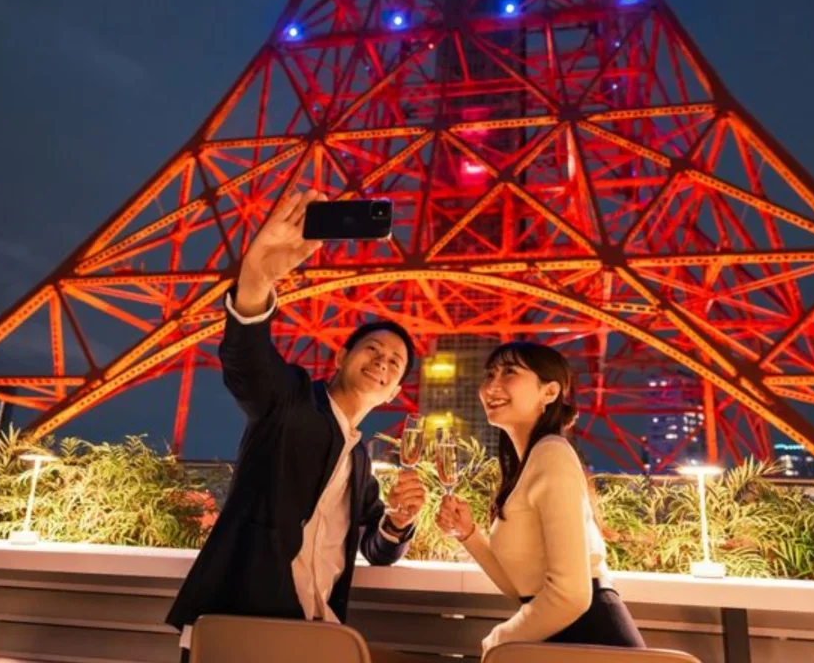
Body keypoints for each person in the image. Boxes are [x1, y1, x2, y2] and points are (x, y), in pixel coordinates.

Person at [167, 186, 426, 663]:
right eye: (372, 349)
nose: (383, 361)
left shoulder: (360, 458)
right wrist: (256, 275)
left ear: (394, 393)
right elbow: (246, 361)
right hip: (243, 623)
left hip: (315, 630)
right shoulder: (289, 402)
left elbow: (376, 547)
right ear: (341, 357)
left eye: (395, 361)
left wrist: (397, 522)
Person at [436, 342, 644, 654]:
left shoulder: (551, 453)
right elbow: (522, 588)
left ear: (548, 392)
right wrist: (468, 534)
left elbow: (571, 596)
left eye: (509, 372)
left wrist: (499, 640)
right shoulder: (530, 462)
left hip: (590, 638)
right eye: (489, 374)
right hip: (562, 635)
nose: (492, 385)